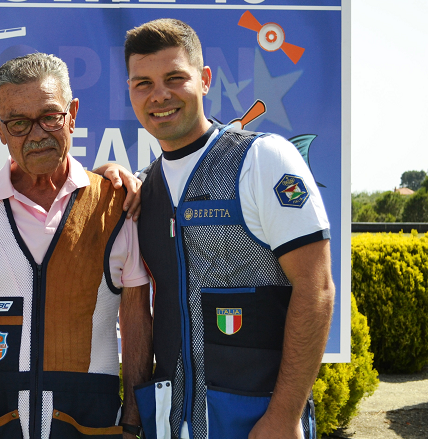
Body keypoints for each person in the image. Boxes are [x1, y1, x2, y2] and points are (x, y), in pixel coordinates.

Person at [125, 19, 335, 439]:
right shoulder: (142, 186)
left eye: (174, 78)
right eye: (143, 83)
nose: (159, 95)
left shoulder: (262, 158)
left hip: (258, 421)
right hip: (169, 422)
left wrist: (285, 414)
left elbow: (317, 288)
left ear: (204, 80)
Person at [0, 53, 153, 439]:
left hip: (91, 427)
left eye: (51, 116)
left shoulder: (116, 204)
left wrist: (131, 423)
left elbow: (135, 322)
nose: (37, 134)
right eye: (18, 123)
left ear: (73, 114)